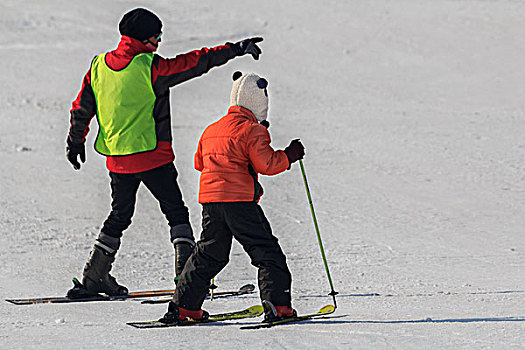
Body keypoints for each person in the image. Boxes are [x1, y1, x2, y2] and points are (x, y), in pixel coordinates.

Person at [65, 8, 264, 298]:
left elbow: (82, 108)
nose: (159, 42)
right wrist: (235, 49)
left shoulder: (98, 67)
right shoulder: (150, 67)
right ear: (145, 39)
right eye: (157, 37)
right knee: (176, 214)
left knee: (119, 215)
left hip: (118, 159)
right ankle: (187, 280)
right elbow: (196, 62)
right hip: (153, 156)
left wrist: (75, 141)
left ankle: (94, 276)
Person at [159, 71, 305, 323]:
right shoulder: (252, 131)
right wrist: (289, 155)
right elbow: (267, 164)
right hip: (239, 202)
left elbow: (198, 163)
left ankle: (184, 307)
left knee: (209, 254)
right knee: (266, 253)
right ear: (259, 103)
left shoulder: (211, 129)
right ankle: (278, 307)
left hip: (211, 202)